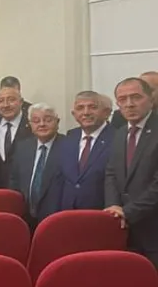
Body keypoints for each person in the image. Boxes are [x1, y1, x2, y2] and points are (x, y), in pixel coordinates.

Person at [105, 77, 158, 266]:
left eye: (136, 97)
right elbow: (111, 172)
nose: (129, 104)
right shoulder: (120, 133)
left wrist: (128, 212)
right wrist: (113, 207)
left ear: (151, 99)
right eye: (123, 99)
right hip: (124, 230)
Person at [57, 90, 114, 211]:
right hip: (68, 212)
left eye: (93, 107)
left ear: (105, 113)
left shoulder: (118, 137)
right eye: (80, 108)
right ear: (74, 114)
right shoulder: (70, 137)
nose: (86, 112)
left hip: (102, 212)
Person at [9, 103, 63, 229]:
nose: (42, 124)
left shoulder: (69, 146)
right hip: (26, 216)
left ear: (57, 122)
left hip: (57, 217)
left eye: (48, 120)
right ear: (30, 124)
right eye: (36, 121)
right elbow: (14, 181)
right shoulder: (23, 147)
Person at [0, 85, 32, 189]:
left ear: (21, 102)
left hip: (23, 187)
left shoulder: (32, 125)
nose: (6, 105)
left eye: (11, 100)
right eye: (0, 101)